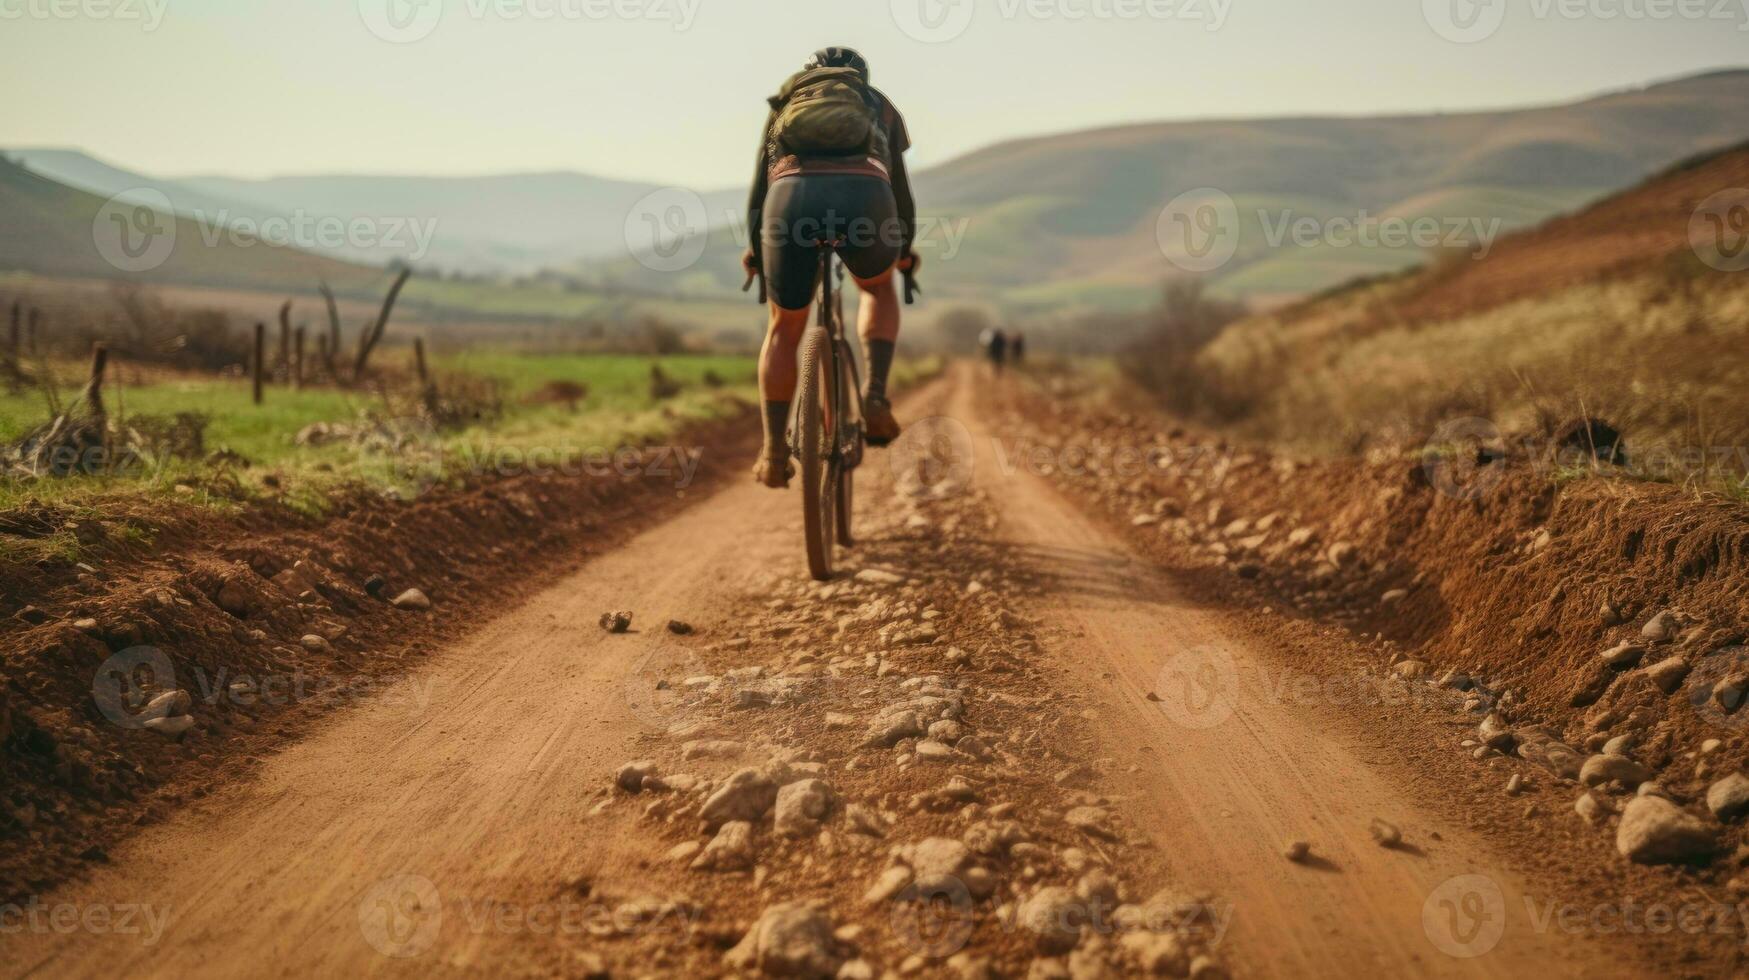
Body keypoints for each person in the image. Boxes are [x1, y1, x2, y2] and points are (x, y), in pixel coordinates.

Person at [742, 46, 918, 488]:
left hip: (792, 202)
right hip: (866, 200)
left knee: (784, 326)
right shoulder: (879, 106)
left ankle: (774, 452)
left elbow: (759, 188)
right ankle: (875, 397)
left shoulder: (786, 103)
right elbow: (899, 187)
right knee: (877, 290)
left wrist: (755, 249)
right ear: (860, 78)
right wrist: (904, 250)